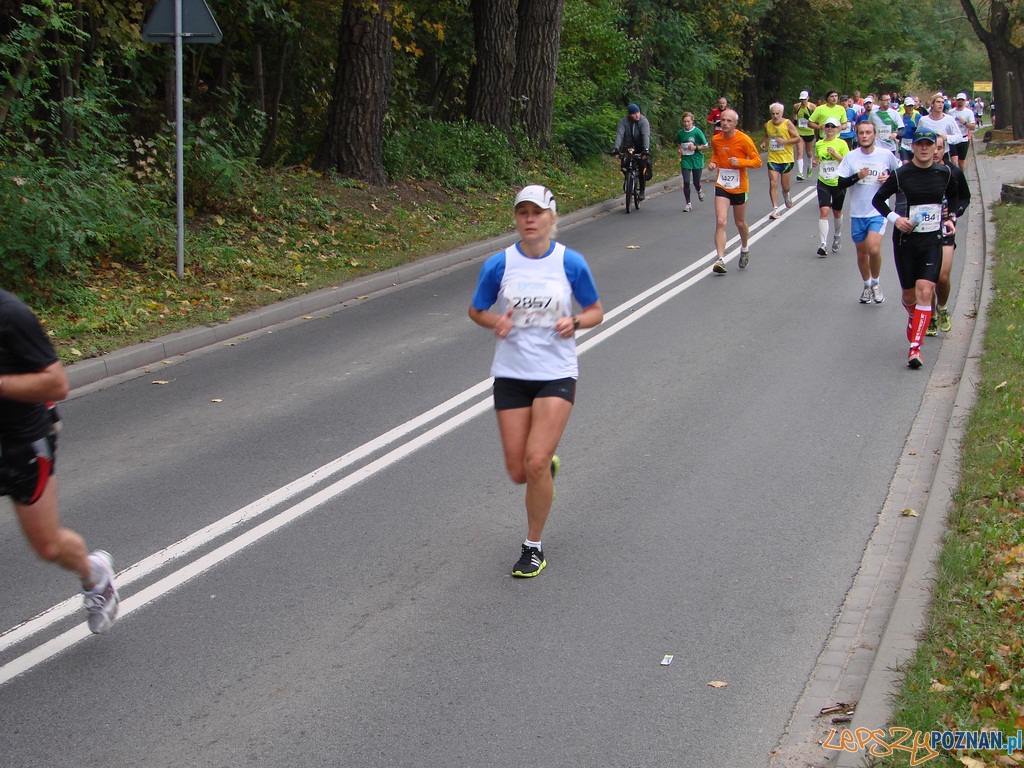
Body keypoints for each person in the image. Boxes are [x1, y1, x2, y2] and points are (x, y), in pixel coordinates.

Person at [468, 185, 603, 578]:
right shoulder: (499, 264)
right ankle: (542, 470)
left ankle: (533, 547)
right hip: (511, 374)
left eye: (537, 212)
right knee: (519, 472)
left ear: (551, 218)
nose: (529, 219)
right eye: (522, 212)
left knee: (537, 459)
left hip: (555, 373)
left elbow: (595, 311)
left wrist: (575, 321)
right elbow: (477, 310)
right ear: (516, 218)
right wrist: (496, 321)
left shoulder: (569, 262)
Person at [1, 289, 119, 633]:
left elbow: (56, 384)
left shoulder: (10, 314)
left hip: (21, 444)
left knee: (48, 545)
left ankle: (94, 573)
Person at [871, 129, 959, 368]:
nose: (924, 148)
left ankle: (915, 349)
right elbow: (878, 200)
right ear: (913, 147)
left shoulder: (944, 173)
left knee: (925, 290)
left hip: (932, 241)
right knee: (909, 296)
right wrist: (895, 219)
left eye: (929, 144)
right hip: (906, 242)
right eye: (920, 144)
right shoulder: (901, 174)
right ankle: (915, 316)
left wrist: (950, 218)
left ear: (934, 147)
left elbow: (955, 198)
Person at [836, 120, 901, 303]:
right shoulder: (851, 157)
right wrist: (858, 176)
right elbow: (840, 183)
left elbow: (900, 174)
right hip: (857, 212)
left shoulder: (885, 155)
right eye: (861, 133)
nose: (865, 136)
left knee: (873, 248)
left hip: (877, 211)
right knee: (862, 252)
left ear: (874, 135)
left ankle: (876, 283)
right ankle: (866, 285)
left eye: (868, 132)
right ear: (857, 135)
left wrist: (888, 179)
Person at [925, 133, 971, 337]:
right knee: (929, 278)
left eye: (939, 148)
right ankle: (931, 316)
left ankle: (942, 307)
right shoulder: (919, 173)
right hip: (925, 230)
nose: (935, 152)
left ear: (944, 150)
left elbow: (964, 198)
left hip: (946, 228)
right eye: (932, 147)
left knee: (943, 277)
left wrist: (953, 213)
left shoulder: (953, 172)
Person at [811, 118, 850, 254]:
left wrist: (835, 154)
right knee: (824, 211)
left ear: (837, 128)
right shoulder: (819, 144)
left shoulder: (842, 144)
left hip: (838, 182)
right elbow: (817, 158)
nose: (830, 128)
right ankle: (823, 244)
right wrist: (815, 162)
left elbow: (848, 162)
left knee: (837, 211)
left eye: (833, 126)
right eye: (827, 126)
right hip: (823, 180)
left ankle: (837, 235)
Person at [760, 102, 801, 219]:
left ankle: (786, 193)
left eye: (777, 113)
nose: (775, 116)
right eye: (773, 114)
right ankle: (775, 209)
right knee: (773, 182)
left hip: (786, 158)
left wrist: (785, 142)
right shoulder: (768, 124)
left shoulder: (787, 124)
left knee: (785, 185)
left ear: (782, 113)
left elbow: (798, 138)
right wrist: (764, 142)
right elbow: (767, 135)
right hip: (773, 158)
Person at [613, 104, 651, 200]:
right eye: (634, 113)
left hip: (640, 148)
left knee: (642, 168)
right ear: (629, 115)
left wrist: (646, 149)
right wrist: (616, 149)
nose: (637, 115)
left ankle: (641, 190)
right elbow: (619, 135)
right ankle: (628, 180)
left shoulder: (643, 121)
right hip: (628, 147)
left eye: (638, 112)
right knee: (624, 166)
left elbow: (645, 135)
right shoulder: (623, 122)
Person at [676, 112, 709, 211]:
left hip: (696, 159)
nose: (686, 124)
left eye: (688, 121)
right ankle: (688, 204)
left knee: (696, 182)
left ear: (692, 121)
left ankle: (699, 190)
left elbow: (706, 145)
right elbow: (679, 145)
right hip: (686, 159)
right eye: (684, 122)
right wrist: (679, 150)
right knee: (686, 181)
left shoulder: (697, 132)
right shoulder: (680, 133)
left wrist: (695, 147)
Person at [918, 93, 962, 164]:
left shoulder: (949, 119)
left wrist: (946, 137)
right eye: (938, 102)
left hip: (943, 154)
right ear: (932, 104)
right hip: (927, 153)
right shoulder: (923, 120)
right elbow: (918, 136)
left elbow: (959, 137)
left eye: (942, 102)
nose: (941, 104)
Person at [947, 92, 977, 169]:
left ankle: (961, 174)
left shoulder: (969, 112)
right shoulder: (951, 112)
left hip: (964, 138)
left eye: (962, 100)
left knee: (961, 161)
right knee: (954, 159)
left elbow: (973, 127)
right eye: (959, 100)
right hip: (953, 138)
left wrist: (965, 122)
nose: (960, 101)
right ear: (956, 101)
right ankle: (954, 174)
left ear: (965, 101)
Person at [793, 90, 816, 180]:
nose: (803, 101)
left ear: (808, 98)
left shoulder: (812, 107)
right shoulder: (796, 106)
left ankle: (809, 166)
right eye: (801, 99)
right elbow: (795, 114)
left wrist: (809, 119)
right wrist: (795, 121)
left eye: (804, 99)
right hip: (799, 132)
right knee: (799, 151)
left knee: (809, 152)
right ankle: (800, 173)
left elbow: (816, 120)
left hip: (809, 132)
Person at [899, 97, 920, 162]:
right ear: (904, 107)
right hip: (903, 145)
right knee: (905, 163)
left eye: (911, 106)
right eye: (908, 106)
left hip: (914, 144)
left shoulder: (918, 117)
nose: (910, 108)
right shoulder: (900, 117)